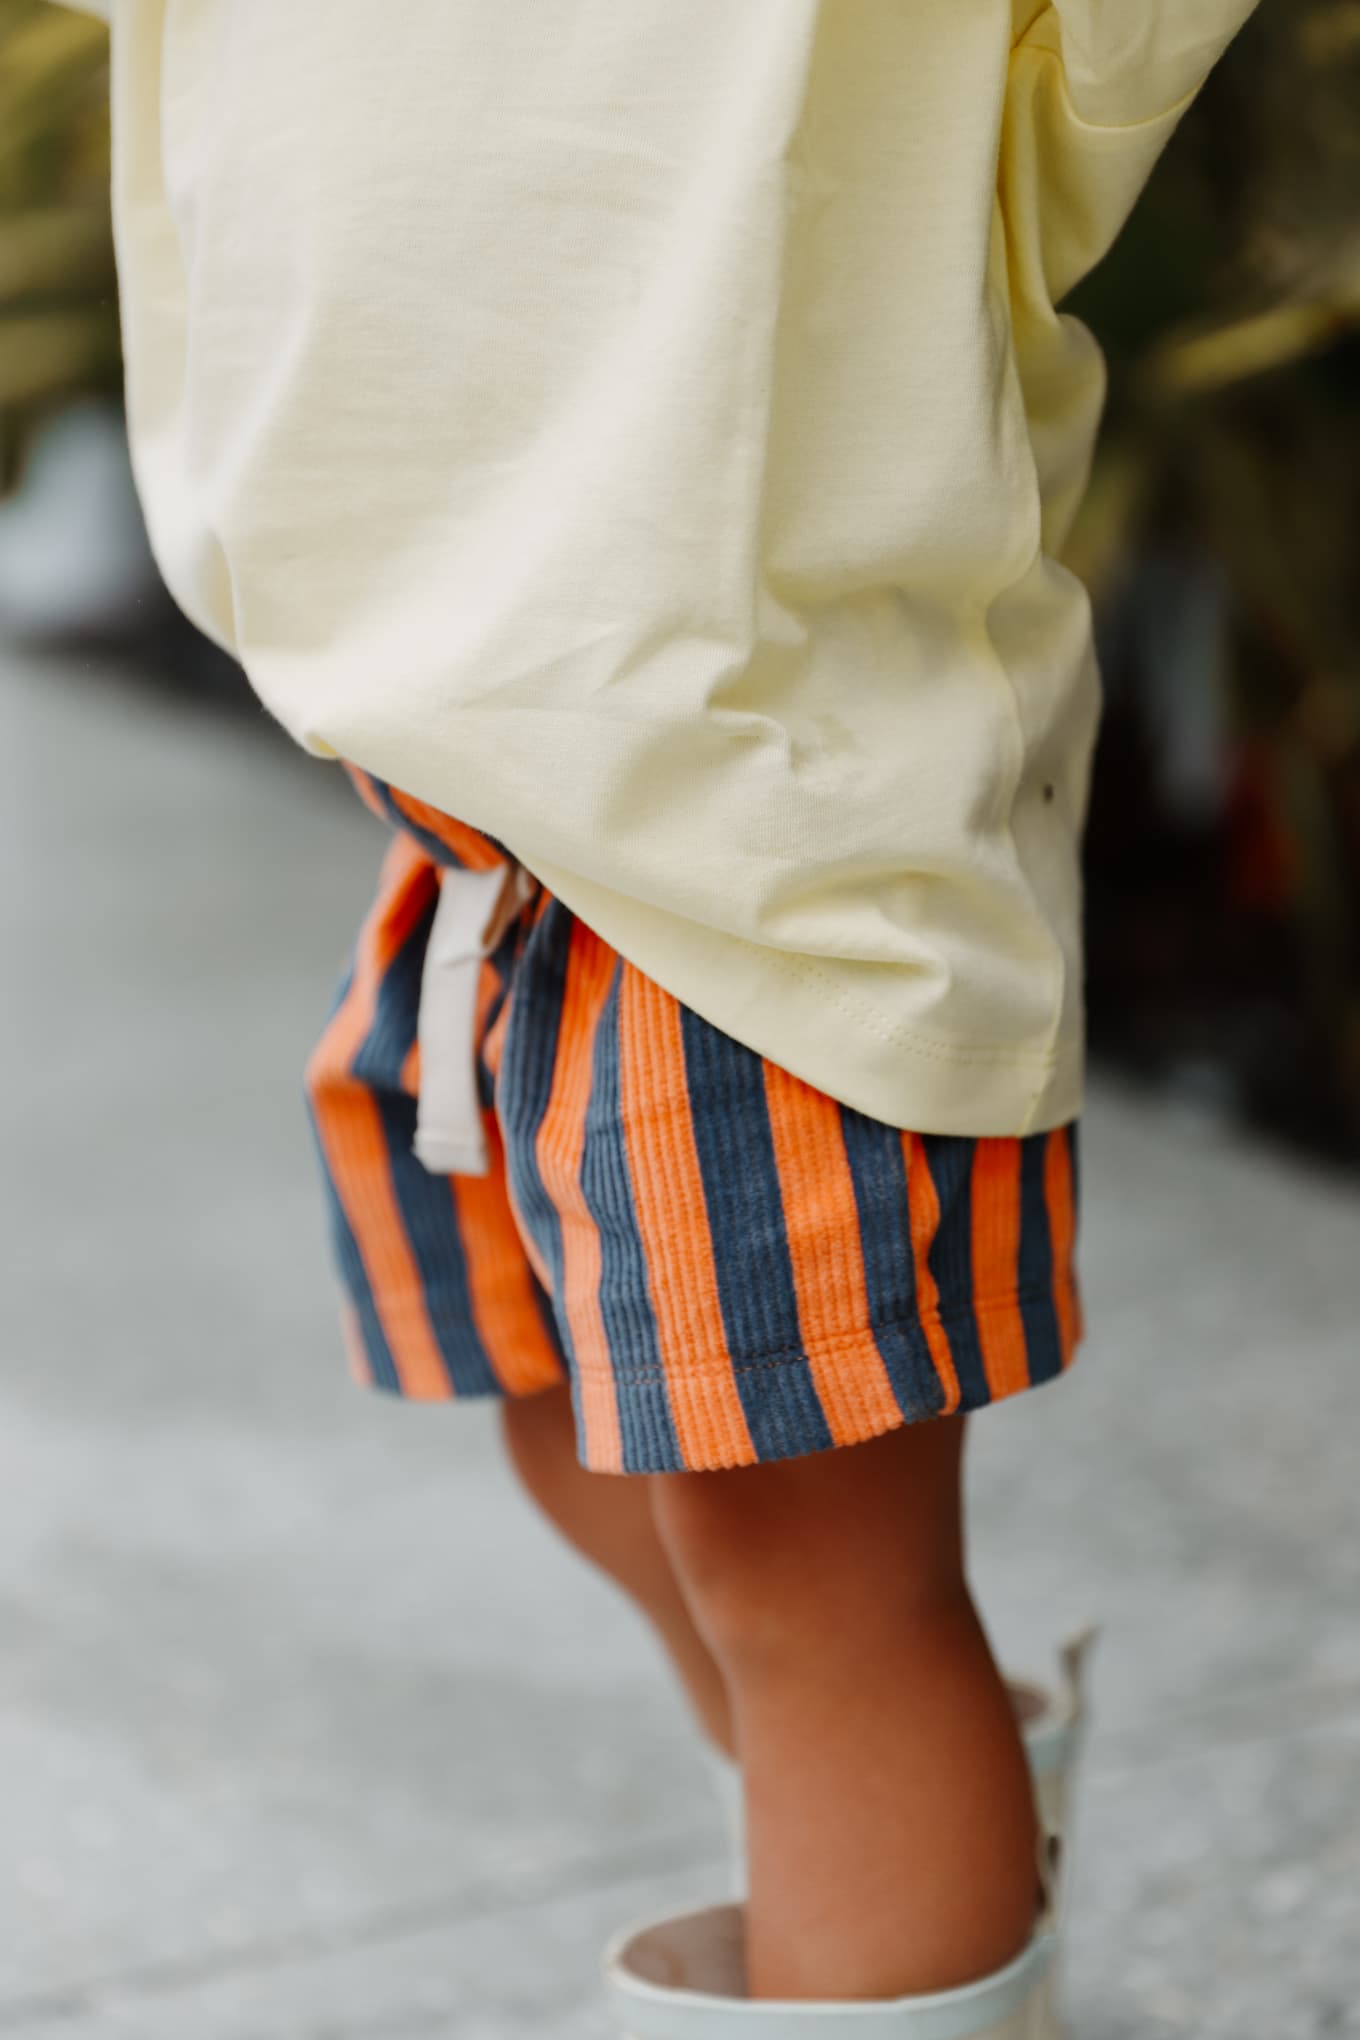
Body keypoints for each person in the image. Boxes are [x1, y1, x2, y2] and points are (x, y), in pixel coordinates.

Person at [69, 1, 1258, 2030]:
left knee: (803, 1570)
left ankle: (888, 1856)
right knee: (565, 1418)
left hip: (762, 817)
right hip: (471, 797)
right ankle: (912, 1833)